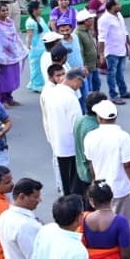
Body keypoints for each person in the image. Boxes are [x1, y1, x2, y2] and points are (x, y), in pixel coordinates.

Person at [82, 99, 130, 219]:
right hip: (120, 190)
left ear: (99, 118)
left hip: (101, 190)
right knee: (123, 224)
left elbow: (91, 163)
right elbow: (129, 166)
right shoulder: (123, 137)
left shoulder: (90, 137)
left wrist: (95, 181)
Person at [41, 66, 85, 196]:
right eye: (81, 83)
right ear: (76, 80)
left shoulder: (53, 93)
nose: (80, 86)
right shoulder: (70, 98)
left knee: (66, 183)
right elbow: (77, 126)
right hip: (71, 147)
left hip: (58, 144)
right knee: (75, 186)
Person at [0, 2, 25, 107]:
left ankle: (10, 98)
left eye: (6, 10)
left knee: (13, 78)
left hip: (13, 55)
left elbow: (14, 37)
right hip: (0, 57)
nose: (5, 12)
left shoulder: (10, 22)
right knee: (3, 79)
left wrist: (21, 49)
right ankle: (2, 100)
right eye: (3, 10)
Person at [97, 0, 130, 104]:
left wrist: (129, 44)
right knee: (111, 74)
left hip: (122, 48)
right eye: (118, 4)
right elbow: (101, 38)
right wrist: (101, 54)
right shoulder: (104, 19)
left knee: (120, 72)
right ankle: (113, 95)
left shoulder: (119, 15)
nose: (120, 5)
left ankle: (123, 92)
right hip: (112, 51)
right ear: (112, 6)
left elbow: (124, 31)